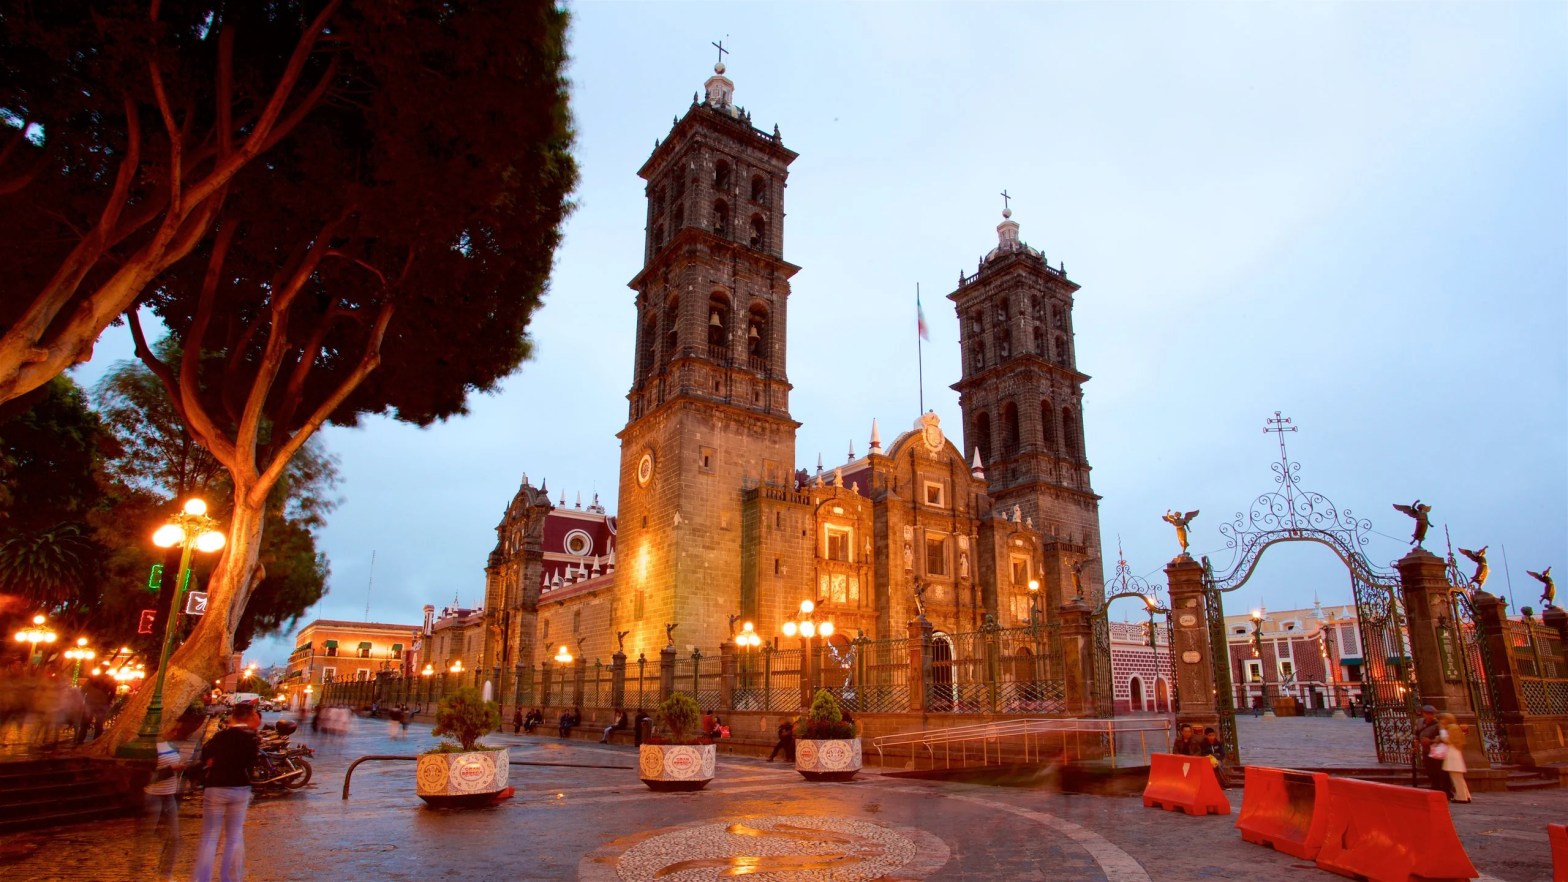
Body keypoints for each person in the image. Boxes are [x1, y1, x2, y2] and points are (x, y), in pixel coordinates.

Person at [191, 702, 261, 882]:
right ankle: (227, 879)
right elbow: (251, 763)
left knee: (210, 836)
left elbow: (205, 757)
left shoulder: (220, 737)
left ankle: (203, 878)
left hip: (216, 787)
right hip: (240, 788)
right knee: (233, 836)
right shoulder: (251, 739)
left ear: (233, 716)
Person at [143, 739, 184, 881]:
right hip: (153, 796)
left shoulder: (173, 746)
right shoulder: (149, 748)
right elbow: (148, 776)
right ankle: (138, 873)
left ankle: (165, 874)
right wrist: (171, 770)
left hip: (169, 796)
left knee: (173, 837)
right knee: (146, 837)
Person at [1415, 704, 1453, 799]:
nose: (1429, 716)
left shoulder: (1438, 723)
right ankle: (1435, 786)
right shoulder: (1419, 722)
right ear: (1423, 713)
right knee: (1429, 769)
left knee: (1440, 771)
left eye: (1431, 714)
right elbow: (1416, 733)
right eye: (1427, 713)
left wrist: (1431, 741)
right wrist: (1415, 742)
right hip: (1426, 750)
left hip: (1437, 750)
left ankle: (1445, 790)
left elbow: (1443, 737)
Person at [1436, 712, 1471, 803]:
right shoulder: (1455, 727)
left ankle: (1461, 797)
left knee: (1456, 778)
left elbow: (1447, 739)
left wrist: (1442, 730)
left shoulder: (1452, 728)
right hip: (1455, 753)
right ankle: (1466, 795)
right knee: (1459, 778)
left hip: (1452, 754)